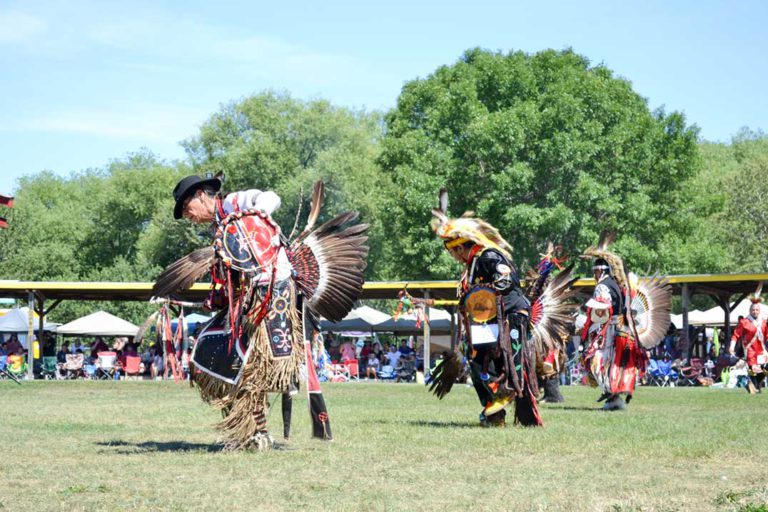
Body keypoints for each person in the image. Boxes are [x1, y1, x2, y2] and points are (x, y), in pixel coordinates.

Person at [152, 175, 368, 450]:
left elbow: (271, 198)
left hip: (273, 294)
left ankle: (256, 434)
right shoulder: (219, 230)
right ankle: (253, 432)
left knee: (253, 368)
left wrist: (247, 220)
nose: (188, 216)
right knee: (219, 357)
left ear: (200, 196)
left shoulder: (232, 204)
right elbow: (228, 279)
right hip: (248, 301)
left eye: (186, 209)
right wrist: (214, 300)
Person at [425, 189, 575, 427]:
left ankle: (503, 396)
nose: (453, 257)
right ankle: (495, 413)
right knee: (476, 362)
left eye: (453, 252)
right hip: (493, 321)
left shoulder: (488, 256)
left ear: (461, 247)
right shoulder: (474, 263)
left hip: (511, 317)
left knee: (503, 363)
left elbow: (506, 282)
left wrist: (484, 300)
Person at [580, 233, 670, 410]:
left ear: (601, 271)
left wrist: (591, 330)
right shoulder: (616, 284)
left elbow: (602, 311)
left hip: (611, 331)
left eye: (595, 271)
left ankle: (613, 397)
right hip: (623, 331)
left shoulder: (603, 286)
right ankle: (614, 398)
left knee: (599, 361)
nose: (594, 275)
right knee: (616, 365)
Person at [728, 288, 768, 394]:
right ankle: (754, 387)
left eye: (757, 310)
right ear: (750, 311)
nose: (755, 312)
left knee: (765, 369)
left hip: (762, 350)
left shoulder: (763, 322)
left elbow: (766, 335)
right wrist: (732, 346)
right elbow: (736, 334)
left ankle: (754, 385)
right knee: (753, 370)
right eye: (753, 310)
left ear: (759, 311)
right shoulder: (744, 322)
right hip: (750, 350)